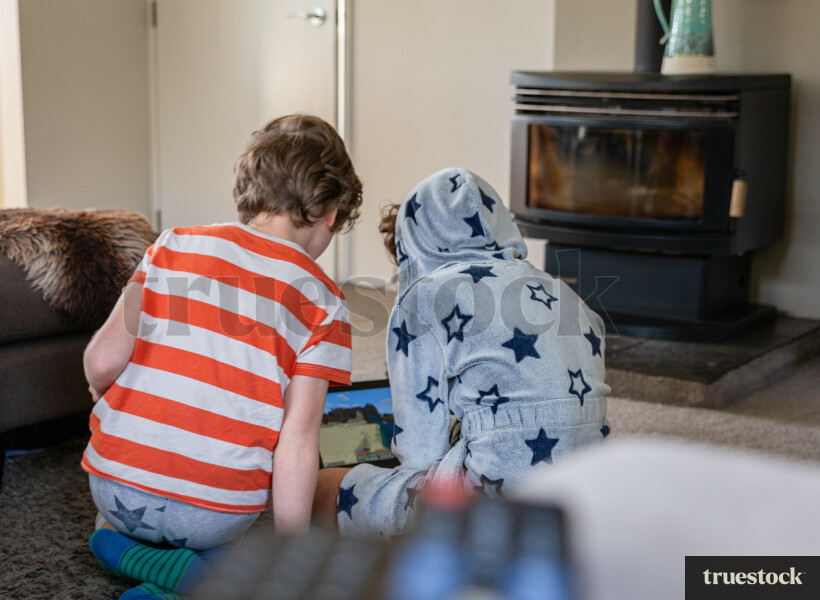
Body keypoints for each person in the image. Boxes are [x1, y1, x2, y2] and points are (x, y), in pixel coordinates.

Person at [81, 114, 362, 599]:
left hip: (117, 486)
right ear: (331, 211)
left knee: (107, 524)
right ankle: (206, 574)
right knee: (231, 543)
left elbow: (103, 362)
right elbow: (298, 440)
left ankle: (125, 551)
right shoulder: (324, 301)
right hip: (216, 510)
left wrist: (109, 395)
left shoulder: (173, 245)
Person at [315, 168, 610, 537]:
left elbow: (420, 453)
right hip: (584, 491)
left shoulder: (424, 297)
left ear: (413, 245)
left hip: (489, 505)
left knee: (329, 488)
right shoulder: (568, 296)